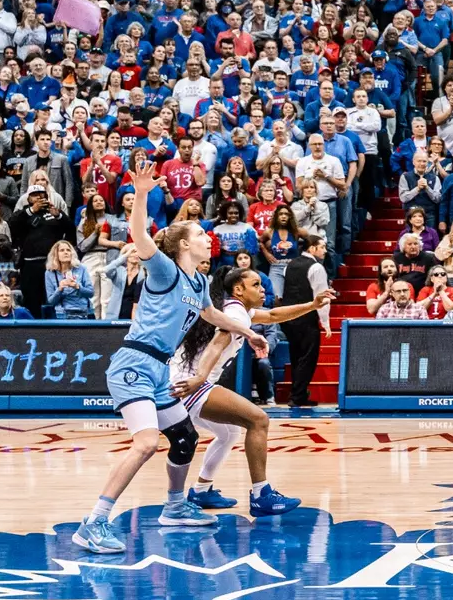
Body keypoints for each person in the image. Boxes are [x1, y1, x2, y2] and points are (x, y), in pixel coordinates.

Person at [71, 164, 267, 555]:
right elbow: (141, 235)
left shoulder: (197, 283)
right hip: (134, 366)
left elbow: (212, 315)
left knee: (185, 437)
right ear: (181, 245)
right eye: (198, 234)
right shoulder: (163, 269)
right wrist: (141, 193)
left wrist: (248, 331)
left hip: (158, 371)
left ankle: (175, 507)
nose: (206, 236)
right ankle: (93, 523)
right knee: (145, 443)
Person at [169, 266, 337, 514]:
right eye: (256, 285)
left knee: (229, 433)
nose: (263, 289)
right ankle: (261, 494)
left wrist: (312, 305)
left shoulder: (238, 311)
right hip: (190, 384)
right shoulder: (236, 314)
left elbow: (272, 316)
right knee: (258, 420)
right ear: (238, 289)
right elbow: (218, 343)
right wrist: (200, 378)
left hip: (185, 382)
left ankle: (201, 491)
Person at [280, 233, 332, 408]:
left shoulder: (289, 265)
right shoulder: (316, 268)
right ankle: (297, 395)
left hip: (288, 317)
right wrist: (325, 323)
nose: (325, 250)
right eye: (322, 247)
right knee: (308, 357)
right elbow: (322, 296)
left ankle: (298, 394)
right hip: (306, 317)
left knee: (296, 356)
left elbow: (284, 292)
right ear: (312, 248)